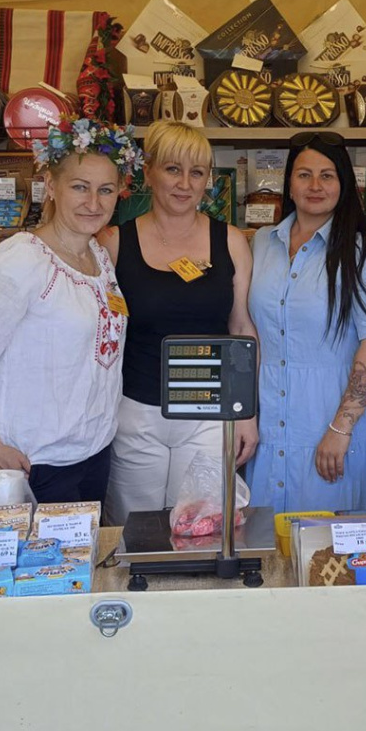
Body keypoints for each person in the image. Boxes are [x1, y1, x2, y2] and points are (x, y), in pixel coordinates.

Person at [0, 117, 143, 504]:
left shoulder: (96, 255)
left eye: (105, 190)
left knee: (84, 559)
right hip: (35, 463)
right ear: (51, 186)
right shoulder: (23, 260)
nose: (93, 203)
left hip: (93, 454)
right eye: (80, 187)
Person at [98, 121, 259, 525]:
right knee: (134, 529)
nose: (185, 184)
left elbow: (241, 328)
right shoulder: (114, 243)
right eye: (172, 169)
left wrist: (247, 411)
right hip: (135, 413)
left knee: (201, 529)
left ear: (209, 179)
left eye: (197, 172)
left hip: (209, 413)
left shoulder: (232, 241)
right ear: (148, 172)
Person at [246, 131, 366, 514]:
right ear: (289, 182)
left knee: (333, 555)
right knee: (268, 548)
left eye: (327, 175)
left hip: (333, 430)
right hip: (269, 426)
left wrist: (340, 428)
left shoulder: (364, 250)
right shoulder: (262, 242)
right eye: (304, 175)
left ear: (343, 183)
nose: (315, 186)